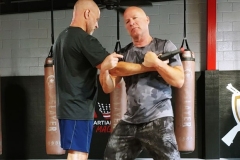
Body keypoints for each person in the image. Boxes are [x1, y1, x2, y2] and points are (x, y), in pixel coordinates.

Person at [100, 6, 184, 160]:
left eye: (135, 18)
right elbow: (108, 87)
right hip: (131, 120)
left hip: (158, 118)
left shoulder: (165, 46)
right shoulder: (124, 54)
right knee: (111, 157)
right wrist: (104, 70)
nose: (131, 22)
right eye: (127, 21)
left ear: (147, 20)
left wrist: (157, 64)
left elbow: (179, 81)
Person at [52, 0, 123, 160]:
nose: (97, 25)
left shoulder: (62, 37)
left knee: (78, 153)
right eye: (96, 19)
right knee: (78, 154)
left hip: (67, 108)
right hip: (78, 108)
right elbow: (113, 67)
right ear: (87, 14)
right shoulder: (83, 39)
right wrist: (146, 66)